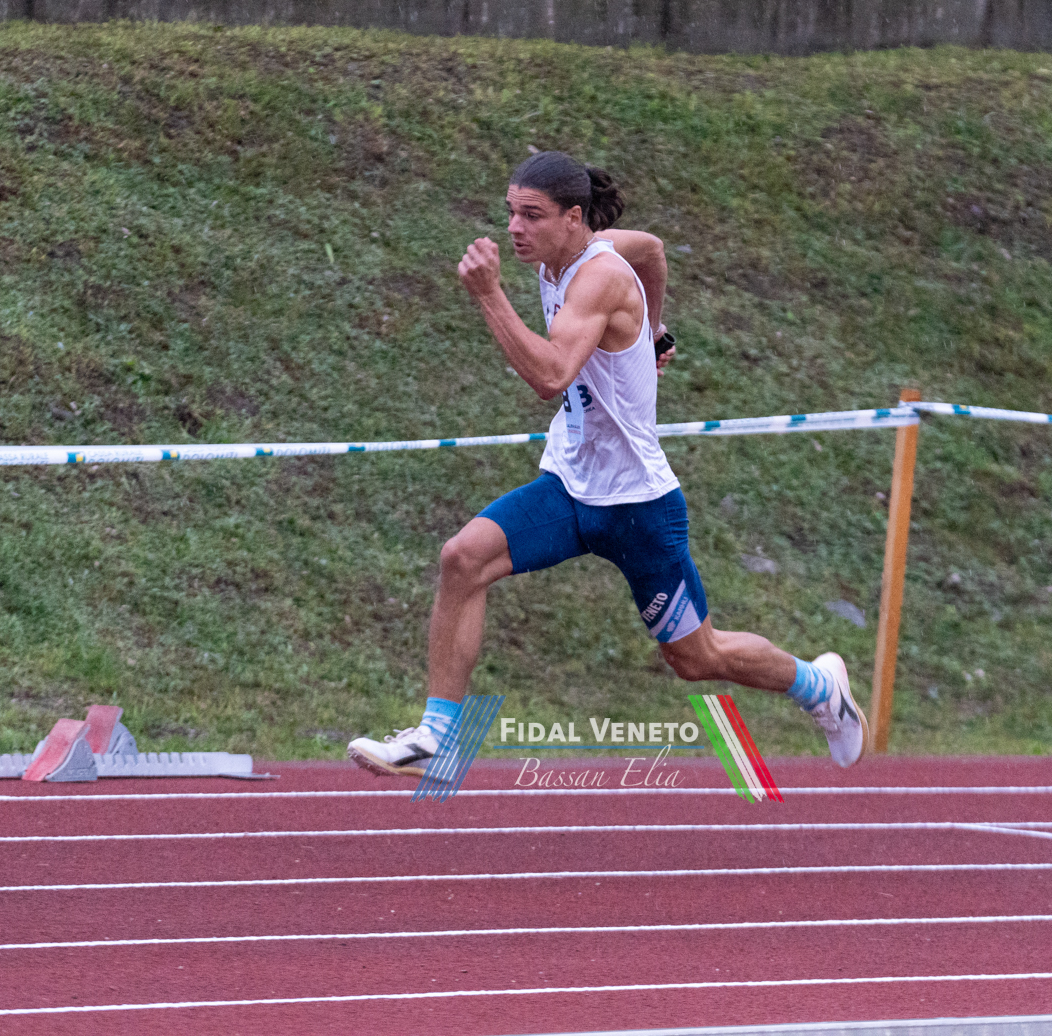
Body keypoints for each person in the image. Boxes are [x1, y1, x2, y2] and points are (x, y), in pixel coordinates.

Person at [348, 151, 868, 778]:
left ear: (573, 218)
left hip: (636, 505)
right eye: (511, 211)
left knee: (696, 658)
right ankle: (438, 736)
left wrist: (489, 295)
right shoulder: (572, 251)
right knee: (463, 558)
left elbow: (550, 375)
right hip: (570, 487)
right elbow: (653, 249)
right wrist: (653, 332)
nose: (514, 228)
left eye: (531, 215)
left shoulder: (598, 275)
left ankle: (819, 686)